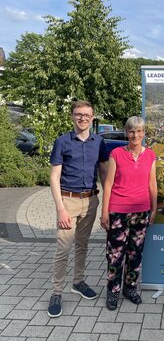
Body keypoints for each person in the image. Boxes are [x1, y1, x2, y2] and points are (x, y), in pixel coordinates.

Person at [47, 100, 108, 317]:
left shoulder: (98, 142)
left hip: (90, 201)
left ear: (92, 118)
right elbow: (54, 177)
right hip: (68, 201)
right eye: (78, 114)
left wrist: (105, 206)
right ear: (72, 116)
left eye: (86, 115)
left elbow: (103, 174)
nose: (82, 118)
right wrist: (61, 209)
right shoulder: (62, 142)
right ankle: (56, 292)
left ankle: (78, 282)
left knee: (82, 245)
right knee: (63, 249)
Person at [100, 116, 157, 310]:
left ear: (143, 133)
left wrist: (154, 208)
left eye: (139, 131)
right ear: (127, 132)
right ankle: (112, 292)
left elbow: (152, 184)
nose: (136, 135)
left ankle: (130, 288)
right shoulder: (116, 154)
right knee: (115, 254)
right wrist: (104, 212)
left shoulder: (150, 155)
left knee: (135, 254)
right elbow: (108, 184)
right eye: (132, 131)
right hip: (118, 211)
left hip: (141, 211)